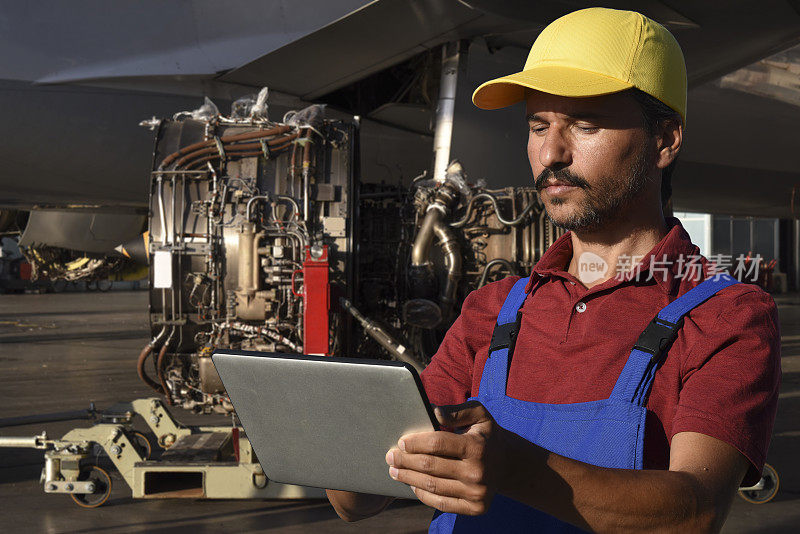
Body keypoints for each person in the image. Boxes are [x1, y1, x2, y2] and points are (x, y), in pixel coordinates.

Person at [327, 7, 781, 532]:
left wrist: (515, 468)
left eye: (585, 125)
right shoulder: (493, 309)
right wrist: (347, 459)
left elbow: (693, 512)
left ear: (665, 140)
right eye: (538, 125)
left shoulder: (727, 317)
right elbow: (361, 497)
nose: (551, 153)